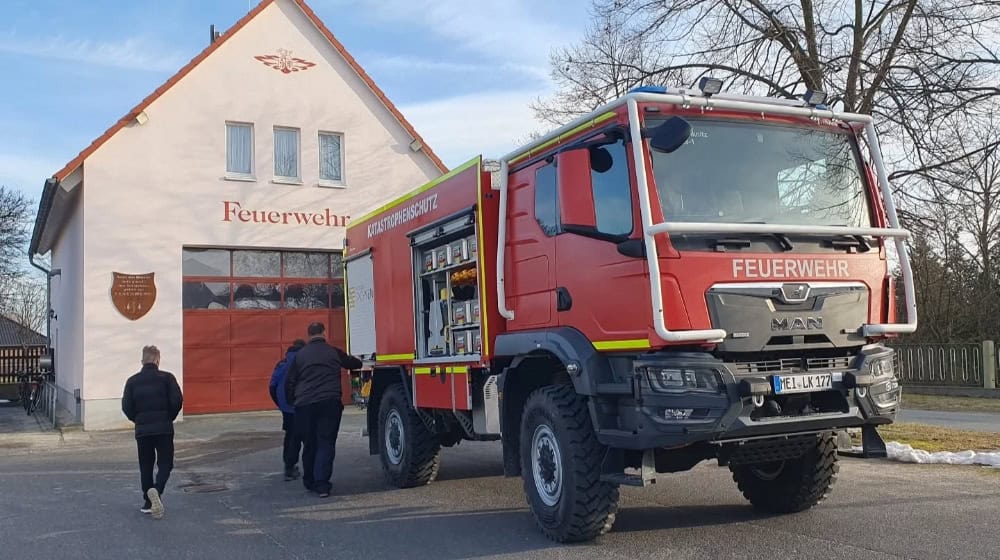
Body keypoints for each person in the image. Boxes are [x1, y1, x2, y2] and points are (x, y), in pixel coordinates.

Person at [285, 322, 362, 498]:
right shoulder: (333, 351)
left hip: (305, 405)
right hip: (329, 402)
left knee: (310, 442)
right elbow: (354, 364)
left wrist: (293, 402)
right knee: (326, 442)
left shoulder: (300, 355)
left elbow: (290, 381)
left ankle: (309, 480)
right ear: (324, 333)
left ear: (308, 334)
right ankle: (322, 485)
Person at [121, 345, 183, 520]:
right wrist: (168, 416)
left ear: (142, 361)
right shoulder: (167, 378)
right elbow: (177, 400)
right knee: (166, 463)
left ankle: (148, 503)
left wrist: (138, 419)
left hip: (143, 430)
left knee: (146, 465)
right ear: (157, 360)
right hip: (163, 428)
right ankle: (157, 489)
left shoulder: (132, 381)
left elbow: (126, 406)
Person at [269, 339, 306, 481]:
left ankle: (289, 467)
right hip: (302, 404)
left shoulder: (282, 363)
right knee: (307, 436)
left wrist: (281, 405)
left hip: (287, 407)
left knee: (290, 436)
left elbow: (272, 386)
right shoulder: (304, 362)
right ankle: (312, 468)